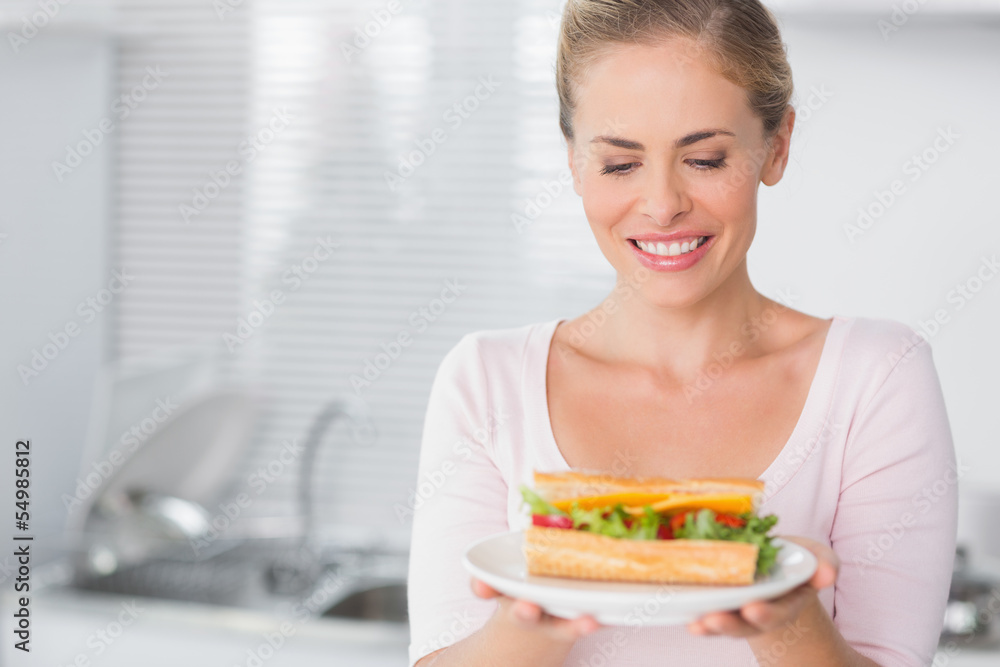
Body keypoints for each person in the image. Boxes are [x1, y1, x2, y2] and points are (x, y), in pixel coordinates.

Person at [407, 1, 957, 665]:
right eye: (619, 164)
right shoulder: (484, 381)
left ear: (775, 146)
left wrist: (786, 617)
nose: (663, 204)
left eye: (703, 158)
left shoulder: (877, 377)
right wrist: (543, 603)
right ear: (575, 163)